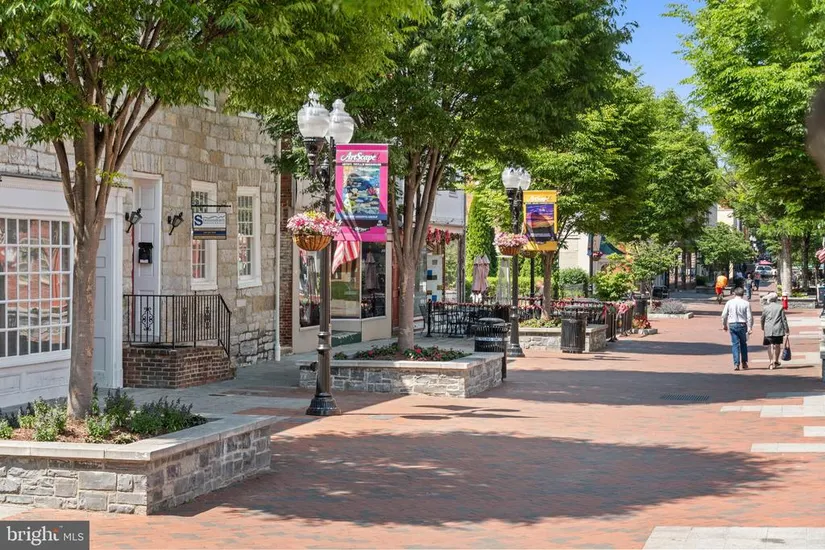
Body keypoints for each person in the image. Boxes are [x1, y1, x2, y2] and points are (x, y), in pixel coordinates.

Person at [721, 286, 753, 371]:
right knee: (743, 344)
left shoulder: (729, 302)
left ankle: (736, 364)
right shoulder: (746, 303)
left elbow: (724, 315)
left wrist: (724, 325)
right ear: (743, 294)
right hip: (742, 324)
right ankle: (744, 362)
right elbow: (749, 317)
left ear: (734, 293)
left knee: (735, 344)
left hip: (732, 324)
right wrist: (750, 327)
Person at [761, 292, 789, 370]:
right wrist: (786, 329)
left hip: (768, 328)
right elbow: (784, 319)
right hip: (778, 328)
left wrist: (762, 327)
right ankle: (776, 361)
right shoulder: (780, 307)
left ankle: (771, 362)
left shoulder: (765, 308)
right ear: (776, 299)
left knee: (770, 345)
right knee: (777, 345)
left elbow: (762, 319)